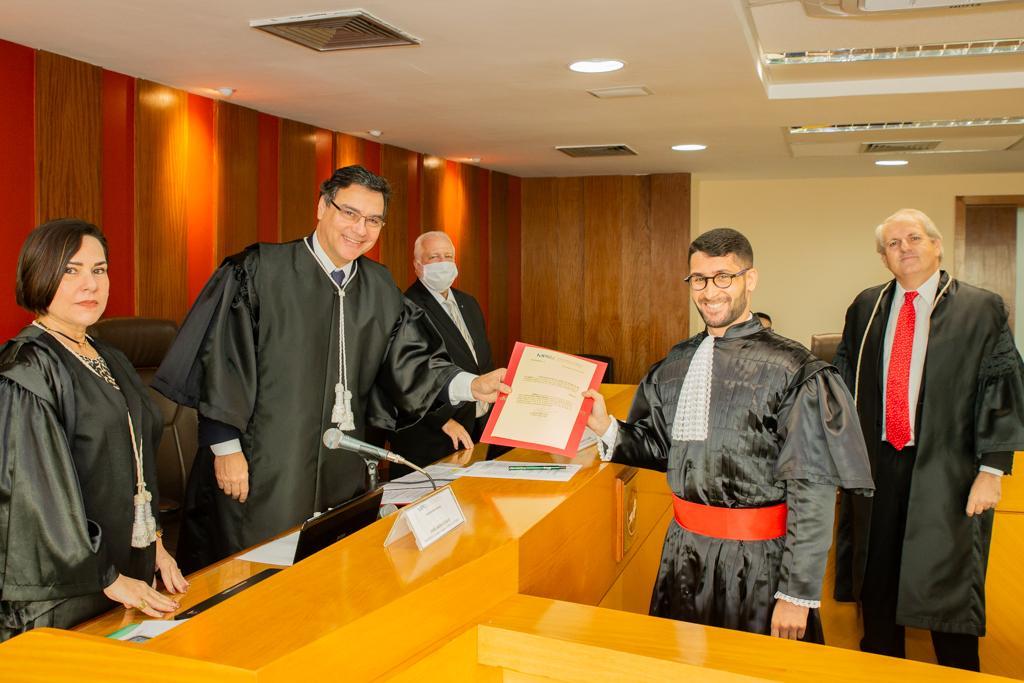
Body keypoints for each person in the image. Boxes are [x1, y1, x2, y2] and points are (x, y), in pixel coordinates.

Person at [153, 166, 507, 573]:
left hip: (343, 462)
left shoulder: (378, 286)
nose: (360, 229)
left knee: (330, 569)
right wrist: (225, 448)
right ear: (323, 207)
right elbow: (223, 359)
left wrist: (470, 385)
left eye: (373, 220)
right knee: (254, 571)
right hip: (264, 463)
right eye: (349, 213)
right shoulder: (262, 270)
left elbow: (411, 360)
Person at [583, 228, 872, 641]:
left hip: (759, 564)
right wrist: (606, 427)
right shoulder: (675, 363)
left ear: (750, 279)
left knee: (754, 667)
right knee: (683, 664)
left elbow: (813, 488)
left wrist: (797, 593)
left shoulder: (794, 369)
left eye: (723, 277)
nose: (709, 291)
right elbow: (661, 448)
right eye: (699, 279)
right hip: (683, 555)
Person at [832, 208, 1024, 671]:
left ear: (937, 246)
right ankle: (882, 668)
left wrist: (992, 469)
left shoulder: (981, 308)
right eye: (893, 244)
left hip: (948, 466)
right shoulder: (866, 306)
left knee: (947, 584)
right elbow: (842, 378)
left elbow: (1002, 385)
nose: (905, 249)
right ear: (884, 257)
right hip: (877, 464)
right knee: (877, 579)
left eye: (914, 238)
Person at [0, 219, 188, 640]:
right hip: (67, 591)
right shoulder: (27, 369)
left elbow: (137, 460)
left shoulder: (110, 356)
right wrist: (109, 578)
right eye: (71, 270)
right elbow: (36, 497)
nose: (90, 284)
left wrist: (155, 544)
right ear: (39, 275)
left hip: (126, 573)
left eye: (99, 270)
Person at [387, 231, 493, 475]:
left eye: (448, 256)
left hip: (477, 428)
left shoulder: (469, 303)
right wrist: (442, 419)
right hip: (433, 437)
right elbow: (401, 378)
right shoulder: (405, 308)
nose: (443, 263)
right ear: (417, 265)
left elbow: (481, 362)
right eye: (434, 257)